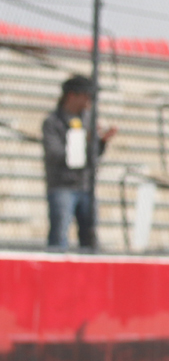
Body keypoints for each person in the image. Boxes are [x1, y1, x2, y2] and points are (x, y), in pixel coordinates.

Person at [42, 74, 117, 250]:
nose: (89, 100)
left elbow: (91, 156)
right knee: (59, 236)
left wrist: (101, 142)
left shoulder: (88, 119)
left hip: (86, 186)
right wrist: (84, 140)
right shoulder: (53, 122)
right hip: (62, 186)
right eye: (86, 95)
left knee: (90, 237)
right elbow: (55, 154)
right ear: (72, 95)